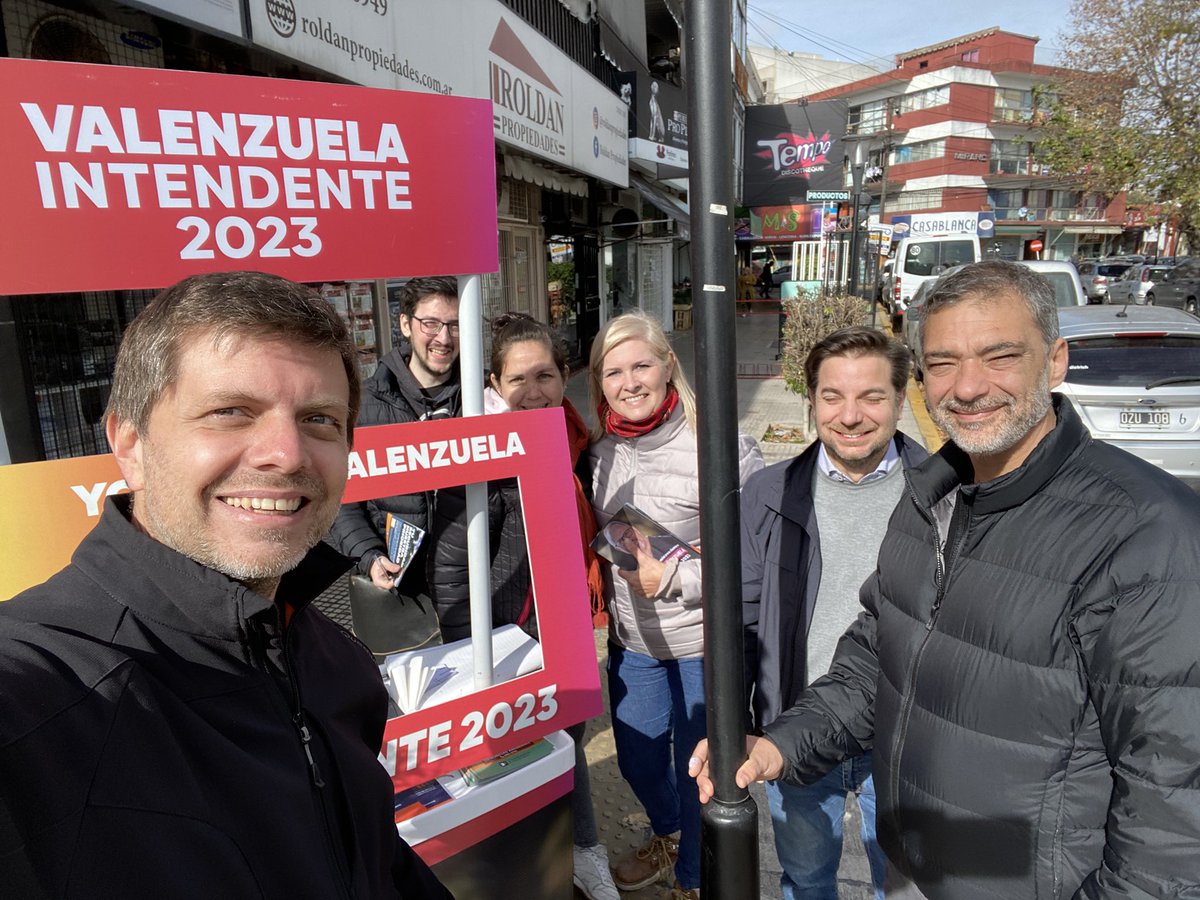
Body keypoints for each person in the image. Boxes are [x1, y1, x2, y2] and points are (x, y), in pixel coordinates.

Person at [692, 260, 1200, 898]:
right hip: (915, 868)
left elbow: (1175, 808)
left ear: (1056, 361)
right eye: (943, 362)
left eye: (1000, 356)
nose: (968, 387)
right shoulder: (932, 497)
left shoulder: (1148, 536)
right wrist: (780, 746)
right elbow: (880, 660)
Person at [0, 271, 451, 899]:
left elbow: (375, 861)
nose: (287, 453)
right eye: (230, 412)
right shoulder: (46, 695)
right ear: (129, 442)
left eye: (319, 419)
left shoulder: (336, 660)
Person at [425, 312, 618, 900]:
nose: (534, 391)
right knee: (513, 748)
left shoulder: (578, 437)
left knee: (567, 739)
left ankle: (579, 852)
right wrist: (469, 647)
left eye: (546, 375)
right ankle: (544, 859)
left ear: (565, 378)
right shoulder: (479, 448)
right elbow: (453, 560)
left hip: (566, 620)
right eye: (518, 379)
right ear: (493, 383)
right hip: (507, 629)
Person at [741, 327, 927, 900]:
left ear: (901, 400)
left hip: (902, 743)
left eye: (871, 396)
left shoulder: (941, 498)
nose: (850, 416)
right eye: (831, 396)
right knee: (805, 878)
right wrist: (741, 723)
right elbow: (743, 620)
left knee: (901, 887)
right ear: (812, 400)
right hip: (796, 732)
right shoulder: (769, 492)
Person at [588, 311, 764, 900]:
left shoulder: (718, 443)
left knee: (699, 778)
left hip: (701, 646)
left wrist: (677, 577)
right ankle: (669, 835)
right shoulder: (601, 452)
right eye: (614, 371)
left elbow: (752, 553)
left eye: (642, 364)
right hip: (633, 641)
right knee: (637, 761)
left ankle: (691, 877)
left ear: (669, 365)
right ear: (600, 382)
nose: (630, 381)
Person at [329, 276, 461, 598]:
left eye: (455, 325)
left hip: (473, 583)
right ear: (405, 324)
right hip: (403, 589)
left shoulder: (484, 399)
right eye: (430, 323)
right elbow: (342, 498)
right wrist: (369, 555)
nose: (443, 338)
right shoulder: (364, 404)